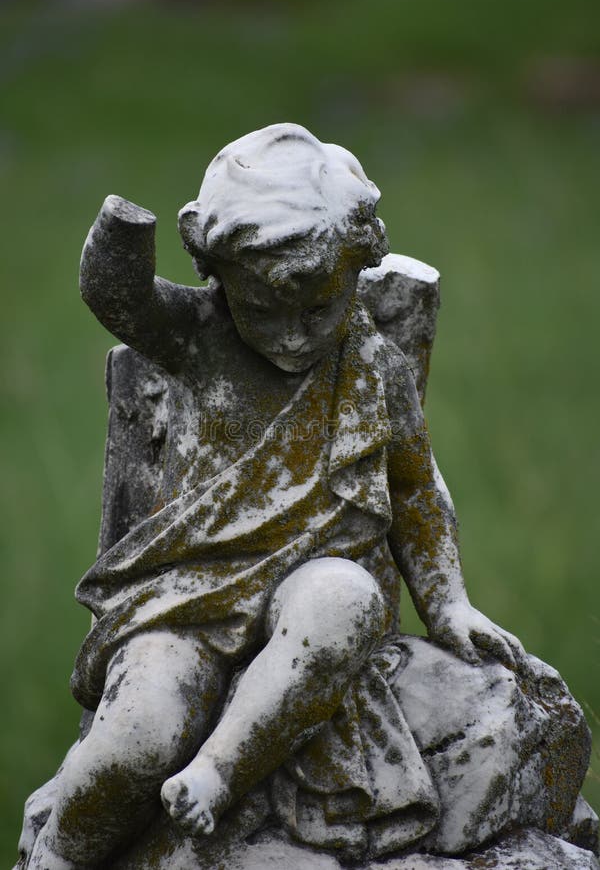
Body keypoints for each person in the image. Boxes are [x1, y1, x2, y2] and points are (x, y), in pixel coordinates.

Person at [28, 124, 524, 869]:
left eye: (318, 311)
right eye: (266, 310)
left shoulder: (373, 368)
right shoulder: (196, 335)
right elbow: (115, 295)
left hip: (311, 580)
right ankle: (62, 853)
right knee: (140, 736)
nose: (294, 336)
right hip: (188, 598)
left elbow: (415, 487)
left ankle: (218, 772)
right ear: (221, 276)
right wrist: (124, 228)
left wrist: (448, 602)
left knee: (345, 601)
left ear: (355, 276)